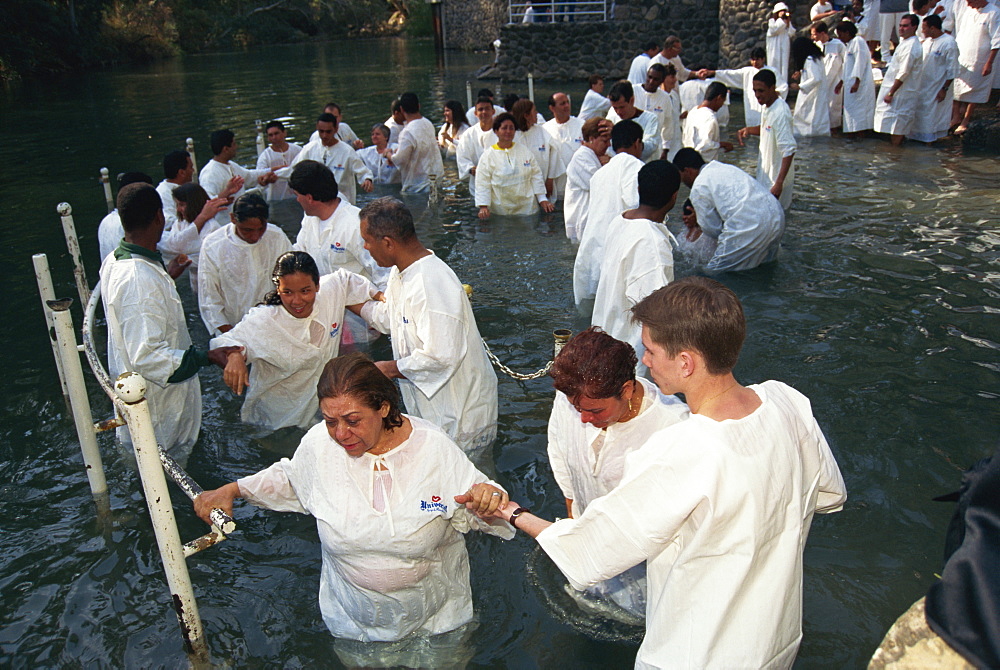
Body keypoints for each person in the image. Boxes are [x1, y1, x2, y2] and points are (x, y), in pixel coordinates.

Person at [464, 277, 847, 670]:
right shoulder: (788, 402)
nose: (644, 360)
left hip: (698, 652)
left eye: (650, 350)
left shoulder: (681, 449)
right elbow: (830, 496)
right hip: (775, 640)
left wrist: (511, 513)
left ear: (685, 362)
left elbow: (591, 549)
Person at [193, 352, 514, 665]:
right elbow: (290, 478)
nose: (341, 434)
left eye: (353, 420)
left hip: (436, 622)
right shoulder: (320, 444)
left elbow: (488, 508)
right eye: (330, 421)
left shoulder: (433, 449)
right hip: (354, 625)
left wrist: (488, 501)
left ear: (383, 407)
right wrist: (231, 490)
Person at [546, 327, 689, 618]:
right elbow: (559, 450)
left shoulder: (674, 427)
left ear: (626, 390)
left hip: (645, 567)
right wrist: (574, 513)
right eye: (577, 408)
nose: (583, 418)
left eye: (595, 411)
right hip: (587, 547)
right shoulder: (574, 397)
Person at [99, 183, 236, 457]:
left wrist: (168, 274)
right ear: (160, 217)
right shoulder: (138, 278)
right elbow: (148, 357)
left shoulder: (117, 260)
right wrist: (206, 357)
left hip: (142, 404)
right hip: (159, 411)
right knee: (165, 472)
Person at [357, 197, 499, 456]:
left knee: (469, 485)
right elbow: (392, 318)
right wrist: (350, 299)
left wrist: (386, 369)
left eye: (367, 240)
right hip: (436, 411)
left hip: (461, 416)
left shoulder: (431, 283)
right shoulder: (402, 271)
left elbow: (440, 356)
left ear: (387, 243)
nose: (365, 247)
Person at [211, 251, 381, 430]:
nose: (297, 301)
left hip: (317, 411)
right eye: (287, 292)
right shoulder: (263, 321)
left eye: (305, 291)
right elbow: (222, 342)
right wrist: (234, 354)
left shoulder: (330, 292)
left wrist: (380, 295)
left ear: (317, 285)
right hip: (275, 422)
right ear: (278, 289)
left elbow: (346, 279)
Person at [593, 160, 681, 372]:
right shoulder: (652, 243)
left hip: (603, 340)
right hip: (631, 360)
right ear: (674, 196)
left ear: (639, 189)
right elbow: (657, 315)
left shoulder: (621, 221)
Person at [290, 160, 389, 345]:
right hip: (328, 314)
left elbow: (384, 271)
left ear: (310, 197)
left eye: (297, 195)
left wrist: (384, 313)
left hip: (362, 319)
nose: (296, 200)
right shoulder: (310, 219)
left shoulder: (355, 224)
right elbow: (300, 252)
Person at [673, 148, 786, 272]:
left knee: (714, 274)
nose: (683, 182)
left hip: (750, 226)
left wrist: (698, 219)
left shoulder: (699, 186)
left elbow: (712, 230)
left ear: (687, 171)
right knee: (766, 269)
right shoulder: (724, 168)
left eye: (681, 177)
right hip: (776, 216)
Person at [197, 192, 292, 337]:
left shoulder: (276, 236)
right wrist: (232, 336)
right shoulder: (213, 245)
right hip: (232, 328)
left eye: (261, 229)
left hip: (273, 324)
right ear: (233, 219)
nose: (255, 236)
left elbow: (291, 278)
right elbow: (209, 299)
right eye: (247, 230)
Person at [573, 120, 644, 307]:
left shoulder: (601, 173)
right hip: (617, 255)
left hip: (591, 255)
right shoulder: (635, 166)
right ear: (637, 143)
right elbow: (636, 206)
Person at [474, 112, 554, 219]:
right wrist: (483, 207)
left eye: (511, 128)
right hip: (501, 211)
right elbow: (482, 182)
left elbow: (535, 175)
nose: (508, 131)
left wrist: (542, 199)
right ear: (496, 131)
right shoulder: (488, 156)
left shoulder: (524, 151)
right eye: (504, 128)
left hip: (527, 210)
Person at [737, 68, 797, 210]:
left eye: (761, 91)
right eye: (755, 91)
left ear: (772, 88)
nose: (757, 95)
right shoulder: (767, 106)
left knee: (776, 218)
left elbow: (789, 150)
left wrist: (779, 183)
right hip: (766, 175)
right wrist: (749, 130)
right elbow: (767, 128)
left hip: (776, 180)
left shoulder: (780, 112)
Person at [284, 113, 373, 207]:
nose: (324, 135)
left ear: (336, 129)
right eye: (321, 131)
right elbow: (293, 169)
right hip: (316, 205)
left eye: (328, 132)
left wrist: (367, 180)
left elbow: (363, 172)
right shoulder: (310, 149)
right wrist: (273, 175)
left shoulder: (347, 151)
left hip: (342, 205)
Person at [199, 129, 276, 227]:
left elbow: (250, 176)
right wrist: (226, 193)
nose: (236, 147)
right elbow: (206, 203)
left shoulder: (231, 165)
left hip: (241, 222)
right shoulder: (209, 173)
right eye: (234, 144)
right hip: (223, 226)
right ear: (226, 149)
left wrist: (272, 171)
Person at [699, 47, 787, 127]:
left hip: (768, 105)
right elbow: (730, 75)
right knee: (753, 128)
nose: (755, 62)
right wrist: (713, 73)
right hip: (751, 108)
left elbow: (783, 87)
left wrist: (774, 94)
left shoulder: (772, 71)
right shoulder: (747, 71)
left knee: (768, 127)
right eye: (753, 60)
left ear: (763, 59)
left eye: (757, 59)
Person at [950, 0, 1000, 135]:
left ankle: (966, 120)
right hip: (963, 54)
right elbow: (961, 33)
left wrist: (989, 62)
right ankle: (956, 116)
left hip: (981, 58)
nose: (968, 5)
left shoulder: (994, 12)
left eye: (971, 1)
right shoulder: (969, 12)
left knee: (976, 88)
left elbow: (997, 40)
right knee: (957, 85)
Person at [909, 14, 960, 142]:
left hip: (938, 87)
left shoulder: (949, 43)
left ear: (933, 28)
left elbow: (952, 68)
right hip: (923, 86)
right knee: (920, 116)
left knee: (933, 118)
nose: (922, 31)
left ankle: (930, 144)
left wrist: (944, 88)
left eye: (924, 28)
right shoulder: (926, 42)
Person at [874, 14, 924, 145]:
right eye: (900, 25)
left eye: (905, 26)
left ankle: (895, 153)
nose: (901, 29)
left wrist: (891, 93)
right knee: (891, 124)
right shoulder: (905, 43)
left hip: (902, 93)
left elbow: (904, 72)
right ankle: (893, 154)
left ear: (914, 27)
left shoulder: (912, 46)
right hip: (895, 90)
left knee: (898, 125)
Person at [563, 118, 612, 242]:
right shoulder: (582, 157)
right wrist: (610, 165)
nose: (608, 145)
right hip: (582, 225)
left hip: (591, 224)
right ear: (591, 138)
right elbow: (600, 185)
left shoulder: (596, 156)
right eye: (604, 141)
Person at [385, 92, 445, 194]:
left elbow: (400, 160)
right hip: (436, 178)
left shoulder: (407, 132)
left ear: (402, 110)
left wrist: (389, 155)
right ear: (419, 106)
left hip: (418, 186)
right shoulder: (428, 123)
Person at [510, 98, 565, 203]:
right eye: (534, 111)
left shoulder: (541, 131)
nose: (537, 113)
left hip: (544, 188)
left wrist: (550, 180)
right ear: (526, 115)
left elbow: (554, 154)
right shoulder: (512, 136)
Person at [836, 20, 877, 136]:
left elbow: (860, 62)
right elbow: (847, 66)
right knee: (851, 112)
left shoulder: (858, 42)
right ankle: (852, 136)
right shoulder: (850, 44)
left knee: (860, 113)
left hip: (860, 85)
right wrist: (841, 82)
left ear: (847, 32)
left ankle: (861, 136)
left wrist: (857, 82)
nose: (840, 38)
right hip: (850, 84)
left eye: (841, 35)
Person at [543, 92, 584, 202]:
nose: (566, 106)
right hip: (556, 185)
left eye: (567, 102)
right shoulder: (545, 129)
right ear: (552, 108)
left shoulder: (582, 125)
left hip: (579, 184)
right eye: (562, 104)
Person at [605, 80, 661, 162]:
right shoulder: (612, 117)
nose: (618, 112)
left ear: (631, 100)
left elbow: (651, 147)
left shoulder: (650, 119)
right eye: (615, 108)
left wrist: (617, 134)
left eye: (622, 107)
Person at [682, 81, 734, 163]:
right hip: (701, 164)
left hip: (687, 159)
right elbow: (704, 147)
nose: (721, 106)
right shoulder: (710, 118)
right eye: (722, 102)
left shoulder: (693, 111)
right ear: (719, 98)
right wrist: (722, 144)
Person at [791, 36, 832, 136]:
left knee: (808, 117)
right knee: (817, 117)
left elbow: (816, 78)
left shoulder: (810, 60)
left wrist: (800, 86)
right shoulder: (816, 58)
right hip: (816, 93)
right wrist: (801, 72)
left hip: (812, 94)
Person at [456, 97, 498, 196]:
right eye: (480, 109)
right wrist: (471, 169)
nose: (484, 112)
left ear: (493, 111)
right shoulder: (469, 134)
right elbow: (462, 156)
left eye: (487, 109)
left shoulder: (502, 131)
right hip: (477, 188)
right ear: (475, 113)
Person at [812, 22, 847, 129]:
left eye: (814, 34)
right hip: (821, 82)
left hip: (835, 82)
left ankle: (834, 130)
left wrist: (842, 81)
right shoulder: (816, 45)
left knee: (833, 107)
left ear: (822, 33)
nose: (813, 37)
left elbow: (846, 64)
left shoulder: (838, 45)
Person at [255, 121, 302, 201]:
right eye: (270, 135)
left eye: (276, 133)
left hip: (298, 198)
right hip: (276, 200)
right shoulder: (265, 157)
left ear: (284, 133)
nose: (274, 137)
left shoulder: (298, 150)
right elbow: (260, 180)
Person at [767, 2, 795, 85]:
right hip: (774, 48)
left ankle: (783, 86)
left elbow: (791, 33)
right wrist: (781, 20)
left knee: (783, 67)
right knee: (774, 65)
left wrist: (788, 22)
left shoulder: (786, 23)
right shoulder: (772, 21)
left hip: (784, 46)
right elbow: (774, 30)